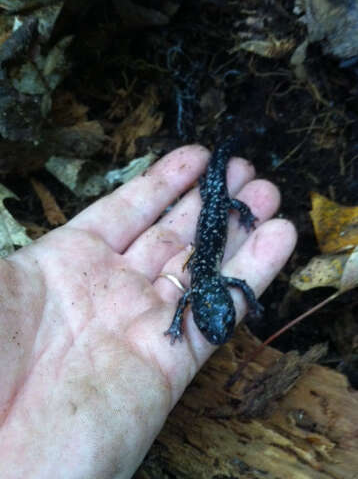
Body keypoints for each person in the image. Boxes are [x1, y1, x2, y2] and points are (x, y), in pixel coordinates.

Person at [0, 144, 296, 478]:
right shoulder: (205, 288)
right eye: (212, 322)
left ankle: (225, 151)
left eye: (223, 320)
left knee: (220, 197)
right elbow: (202, 296)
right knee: (217, 196)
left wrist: (249, 297)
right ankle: (222, 152)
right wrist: (175, 327)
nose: (216, 332)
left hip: (217, 210)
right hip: (214, 210)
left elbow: (215, 293)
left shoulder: (201, 289)